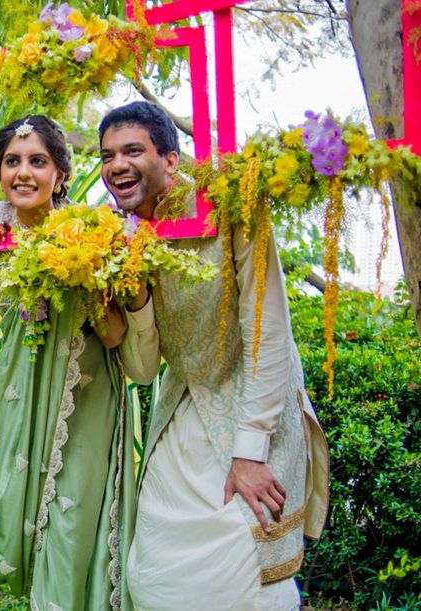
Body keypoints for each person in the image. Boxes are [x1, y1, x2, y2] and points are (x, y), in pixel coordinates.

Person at [97, 101, 330, 610]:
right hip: (182, 413)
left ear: (172, 159)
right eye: (107, 155)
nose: (117, 165)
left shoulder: (228, 202)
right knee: (151, 576)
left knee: (238, 579)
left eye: (133, 150)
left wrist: (250, 451)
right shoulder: (120, 237)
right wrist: (134, 293)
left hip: (251, 417)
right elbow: (140, 370)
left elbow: (268, 331)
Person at [0, 115, 159, 610]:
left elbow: (114, 334)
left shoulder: (86, 228)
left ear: (60, 174)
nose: (23, 173)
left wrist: (83, 268)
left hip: (84, 397)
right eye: (12, 161)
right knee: (24, 519)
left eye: (38, 162)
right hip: (21, 392)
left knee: (72, 522)